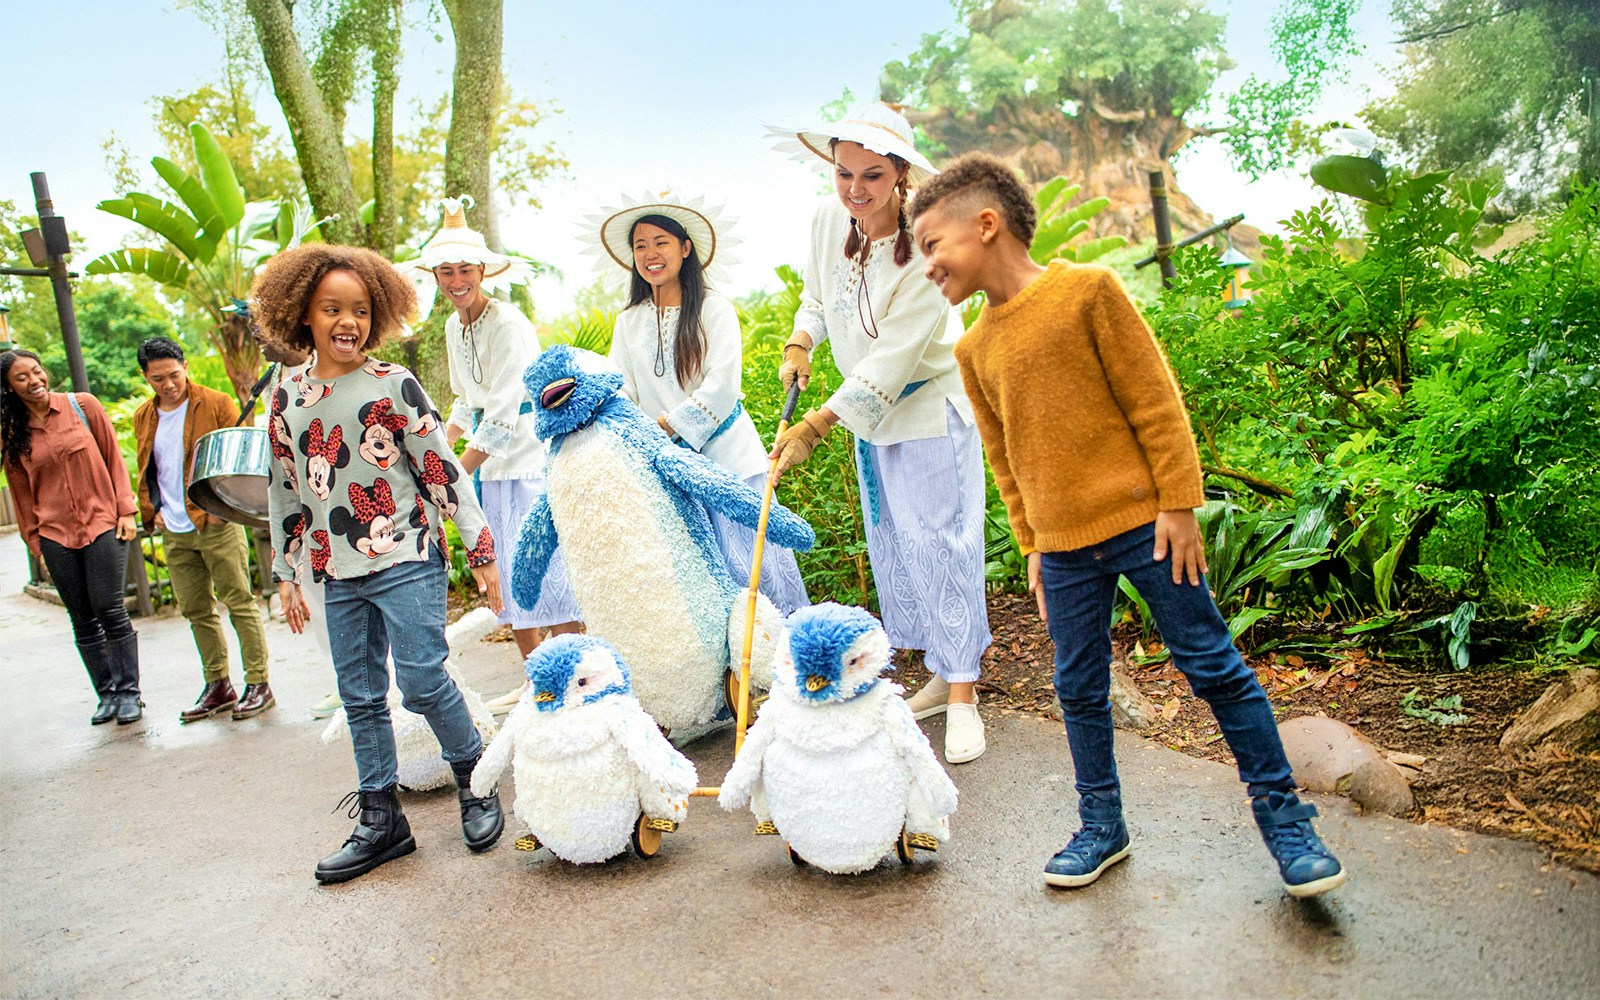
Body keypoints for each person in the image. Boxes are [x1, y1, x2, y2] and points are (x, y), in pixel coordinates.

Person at [911, 153, 1347, 897]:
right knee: (1078, 688)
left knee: (1213, 667)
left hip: (1146, 525)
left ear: (986, 226)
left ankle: (1286, 823)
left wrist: (1178, 504)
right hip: (1064, 550)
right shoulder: (973, 348)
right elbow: (1005, 459)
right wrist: (1033, 547)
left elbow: (1155, 402)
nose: (926, 266)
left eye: (931, 245)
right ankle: (1102, 826)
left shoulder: (1088, 293)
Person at [253, 243, 506, 883]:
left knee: (421, 681)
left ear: (376, 316)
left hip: (406, 553)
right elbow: (286, 489)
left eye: (361, 310)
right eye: (331, 308)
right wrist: (286, 574)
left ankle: (475, 777)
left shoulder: (392, 386)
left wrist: (479, 550)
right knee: (359, 696)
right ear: (302, 315)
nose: (348, 321)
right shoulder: (285, 399)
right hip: (335, 570)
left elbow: (440, 469)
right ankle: (381, 819)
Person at [765, 103, 990, 763]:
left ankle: (965, 694)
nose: (855, 190)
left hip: (924, 409)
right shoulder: (826, 219)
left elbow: (891, 361)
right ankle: (942, 672)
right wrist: (800, 341)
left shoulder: (929, 250)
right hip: (872, 419)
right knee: (899, 543)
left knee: (943, 544)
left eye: (871, 176)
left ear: (899, 176)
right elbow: (816, 296)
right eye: (843, 174)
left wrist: (816, 423)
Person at [397, 196, 583, 712]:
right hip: (488, 467)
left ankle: (572, 674)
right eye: (445, 271)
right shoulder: (456, 326)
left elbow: (502, 415)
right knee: (500, 562)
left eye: (464, 270)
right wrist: (435, 447)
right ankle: (535, 680)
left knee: (544, 567)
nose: (456, 280)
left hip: (525, 459)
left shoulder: (509, 324)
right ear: (435, 275)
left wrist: (450, 478)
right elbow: (465, 403)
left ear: (482, 270)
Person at [596, 193, 808, 613]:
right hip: (670, 472)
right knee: (703, 588)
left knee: (755, 575)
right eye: (640, 246)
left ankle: (789, 664)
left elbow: (722, 386)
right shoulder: (629, 320)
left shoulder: (714, 308)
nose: (650, 254)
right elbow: (621, 392)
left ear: (685, 248)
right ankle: (729, 678)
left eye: (661, 242)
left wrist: (667, 426)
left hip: (729, 461)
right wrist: (642, 440)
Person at [132, 337, 273, 722]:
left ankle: (259, 682)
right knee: (196, 610)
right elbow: (150, 468)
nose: (168, 384)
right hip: (174, 528)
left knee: (239, 601)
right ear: (147, 377)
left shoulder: (215, 402)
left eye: (174, 375)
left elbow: (240, 456)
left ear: (185, 367)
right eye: (158, 378)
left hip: (215, 521)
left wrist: (219, 509)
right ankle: (218, 685)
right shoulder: (145, 416)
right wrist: (153, 510)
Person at [2, 349, 144, 725]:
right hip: (55, 534)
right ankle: (107, 695)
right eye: (22, 378)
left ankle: (130, 692)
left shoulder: (83, 406)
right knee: (80, 616)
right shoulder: (14, 435)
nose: (34, 381)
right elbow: (21, 494)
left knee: (108, 606)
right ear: (8, 388)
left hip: (101, 522)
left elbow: (113, 457)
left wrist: (126, 508)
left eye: (36, 371)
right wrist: (36, 544)